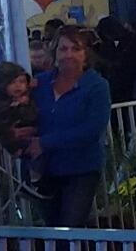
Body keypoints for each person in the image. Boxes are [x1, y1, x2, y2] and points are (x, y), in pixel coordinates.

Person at [32, 29, 110, 229]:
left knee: (70, 230)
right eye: (63, 49)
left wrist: (45, 142)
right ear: (55, 53)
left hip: (81, 169)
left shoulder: (97, 86)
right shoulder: (40, 83)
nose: (68, 54)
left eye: (76, 49)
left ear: (85, 54)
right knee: (53, 230)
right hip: (46, 170)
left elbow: (92, 129)